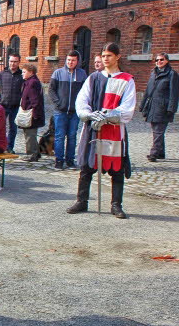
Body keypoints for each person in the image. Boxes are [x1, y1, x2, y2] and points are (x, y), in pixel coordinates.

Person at [67, 42, 136, 219]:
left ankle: (116, 205)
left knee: (117, 168)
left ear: (117, 57)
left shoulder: (127, 80)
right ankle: (82, 201)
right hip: (93, 129)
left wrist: (109, 116)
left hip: (113, 130)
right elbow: (82, 100)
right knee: (87, 166)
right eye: (103, 56)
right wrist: (89, 115)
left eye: (109, 56)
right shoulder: (94, 78)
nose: (106, 59)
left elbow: (128, 107)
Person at [48, 50, 87, 169]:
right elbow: (51, 90)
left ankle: (70, 159)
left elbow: (85, 92)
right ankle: (59, 160)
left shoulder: (82, 74)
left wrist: (80, 106)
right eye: (69, 60)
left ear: (77, 61)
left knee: (72, 136)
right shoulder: (58, 73)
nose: (70, 62)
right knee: (59, 136)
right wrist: (58, 103)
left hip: (74, 112)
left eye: (73, 60)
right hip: (60, 111)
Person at [140, 53, 178, 162]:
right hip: (152, 106)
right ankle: (161, 152)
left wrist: (171, 108)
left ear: (167, 61)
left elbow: (174, 93)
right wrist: (142, 105)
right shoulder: (154, 73)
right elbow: (148, 91)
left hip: (163, 107)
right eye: (157, 60)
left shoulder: (172, 74)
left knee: (158, 131)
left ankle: (154, 153)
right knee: (156, 130)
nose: (159, 62)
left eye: (161, 60)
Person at [0, 53, 23, 152]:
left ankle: (10, 147)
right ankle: (0, 145)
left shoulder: (22, 75)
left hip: (16, 106)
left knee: (13, 128)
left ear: (19, 62)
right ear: (8, 61)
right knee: (0, 127)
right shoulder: (2, 74)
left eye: (15, 62)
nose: (13, 64)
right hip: (3, 105)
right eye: (11, 61)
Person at [19, 63, 45, 162]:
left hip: (31, 114)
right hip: (30, 112)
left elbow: (35, 100)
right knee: (29, 134)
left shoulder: (32, 83)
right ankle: (36, 153)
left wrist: (34, 115)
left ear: (31, 72)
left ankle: (31, 154)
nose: (22, 74)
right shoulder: (28, 82)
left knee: (30, 135)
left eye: (24, 72)